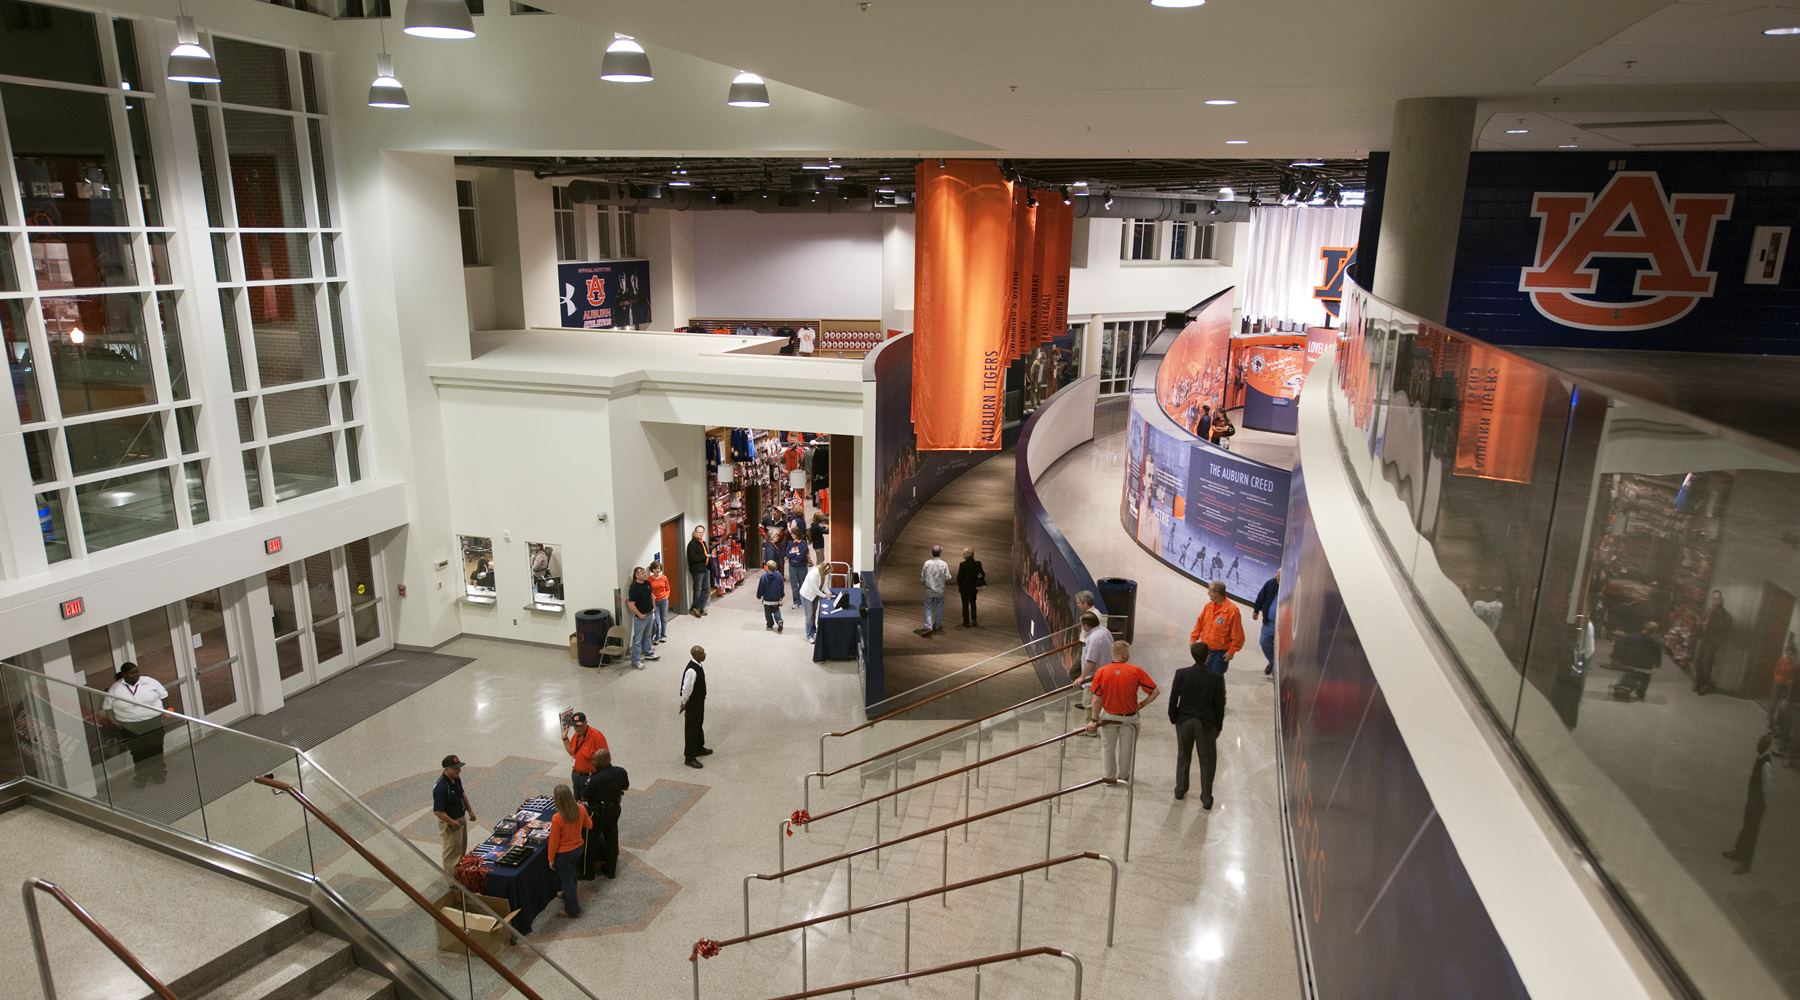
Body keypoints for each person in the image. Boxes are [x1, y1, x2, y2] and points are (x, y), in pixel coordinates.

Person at [1086, 640, 1158, 782]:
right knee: (1127, 751)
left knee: (1107, 749)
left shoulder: (1102, 671)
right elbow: (1155, 691)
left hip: (1108, 717)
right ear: (1124, 655)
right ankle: (1124, 777)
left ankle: (1109, 777)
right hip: (1129, 719)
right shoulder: (1136, 671)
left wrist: (1094, 720)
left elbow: (1096, 699)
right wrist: (1142, 704)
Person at [1168, 644, 1228, 807]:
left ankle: (1180, 789)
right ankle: (1206, 797)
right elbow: (1219, 705)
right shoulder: (1216, 678)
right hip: (1206, 724)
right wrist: (1218, 726)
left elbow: (1174, 698)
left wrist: (1173, 717)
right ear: (1208, 656)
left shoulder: (1181, 674)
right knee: (1207, 760)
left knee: (1183, 755)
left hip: (1184, 721)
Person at [104, 662, 169, 787]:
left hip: (153, 722)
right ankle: (142, 776)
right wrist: (115, 722)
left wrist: (165, 712)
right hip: (130, 726)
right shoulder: (115, 688)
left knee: (156, 749)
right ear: (124, 675)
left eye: (137, 671)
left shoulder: (149, 681)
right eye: (132, 673)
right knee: (138, 752)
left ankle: (159, 773)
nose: (136, 675)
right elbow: (108, 708)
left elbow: (164, 696)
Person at [1724, 735, 1774, 875]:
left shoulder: (1766, 764)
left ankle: (1746, 864)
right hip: (1752, 801)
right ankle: (1739, 851)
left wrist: (1764, 806)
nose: (1758, 745)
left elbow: (1766, 787)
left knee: (1751, 833)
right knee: (1746, 828)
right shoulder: (1760, 759)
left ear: (1766, 746)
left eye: (1761, 744)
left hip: (1757, 804)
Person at [579, 748, 630, 880]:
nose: (592, 762)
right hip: (615, 808)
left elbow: (584, 797)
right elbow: (625, 787)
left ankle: (587, 873)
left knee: (590, 841)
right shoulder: (620, 771)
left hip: (598, 812)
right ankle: (611, 870)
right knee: (612, 838)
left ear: (598, 762)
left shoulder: (595, 779)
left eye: (594, 760)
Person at [546, 784, 591, 917]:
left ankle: (572, 909)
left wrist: (551, 859)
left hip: (563, 854)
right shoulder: (581, 809)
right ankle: (568, 894)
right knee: (572, 874)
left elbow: (553, 842)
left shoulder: (557, 818)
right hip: (578, 849)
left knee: (566, 881)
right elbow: (589, 825)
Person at [431, 754, 476, 874]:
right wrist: (452, 822)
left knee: (461, 848)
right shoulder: (441, 787)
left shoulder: (455, 778)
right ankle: (453, 881)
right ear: (446, 769)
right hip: (450, 823)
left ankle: (460, 874)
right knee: (451, 854)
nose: (459, 770)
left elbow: (462, 794)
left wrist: (470, 811)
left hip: (460, 818)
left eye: (459, 767)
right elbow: (438, 812)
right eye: (456, 768)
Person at [1189, 581, 1245, 673]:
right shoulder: (1208, 606)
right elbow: (1199, 623)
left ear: (1217, 594)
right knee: (1203, 674)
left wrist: (1231, 651)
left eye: (1210, 591)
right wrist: (1193, 638)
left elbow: (1238, 635)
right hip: (1205, 649)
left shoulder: (1232, 611)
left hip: (1219, 653)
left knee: (1215, 678)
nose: (1208, 593)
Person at [1072, 611, 1113, 716]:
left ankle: (1091, 731)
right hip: (1104, 673)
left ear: (1086, 625)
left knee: (1089, 705)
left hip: (1093, 678)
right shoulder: (1105, 631)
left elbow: (1091, 661)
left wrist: (1082, 677)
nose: (1082, 627)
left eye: (1082, 625)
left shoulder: (1094, 638)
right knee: (1096, 704)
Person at [1609, 621, 1662, 701]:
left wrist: (1617, 658)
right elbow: (1658, 654)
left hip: (1631, 663)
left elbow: (1623, 641)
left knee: (1629, 674)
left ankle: (1624, 687)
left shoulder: (1633, 637)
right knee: (1646, 678)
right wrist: (1657, 663)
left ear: (1644, 627)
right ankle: (1641, 693)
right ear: (1655, 630)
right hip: (1646, 666)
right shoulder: (1658, 641)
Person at [1693, 590, 1732, 696]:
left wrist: (1707, 624)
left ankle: (1704, 685)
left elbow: (1720, 628)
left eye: (1716, 598)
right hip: (1705, 639)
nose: (1714, 600)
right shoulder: (1710, 610)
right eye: (1713, 598)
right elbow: (1704, 622)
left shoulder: (1722, 612)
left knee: (1706, 663)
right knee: (1698, 662)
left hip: (1712, 642)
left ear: (1720, 600)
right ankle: (1701, 683)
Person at [561, 712, 608, 799]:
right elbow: (572, 752)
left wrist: (598, 779)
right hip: (576, 776)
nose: (577, 728)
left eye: (579, 725)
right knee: (578, 804)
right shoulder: (576, 736)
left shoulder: (596, 736)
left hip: (589, 778)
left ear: (586, 723)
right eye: (575, 726)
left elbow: (605, 759)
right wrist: (565, 738)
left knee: (589, 805)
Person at [679, 646, 712, 769]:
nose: (705, 655)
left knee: (698, 724)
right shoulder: (691, 671)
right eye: (702, 653)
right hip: (692, 703)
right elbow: (686, 689)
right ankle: (689, 757)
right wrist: (684, 702)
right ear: (696, 655)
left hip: (699, 701)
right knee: (691, 729)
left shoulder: (698, 665)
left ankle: (699, 747)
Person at [625, 567, 658, 669]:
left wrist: (653, 607)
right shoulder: (634, 588)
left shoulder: (647, 583)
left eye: (644, 572)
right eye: (642, 573)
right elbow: (631, 604)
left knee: (648, 636)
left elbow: (651, 596)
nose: (645, 574)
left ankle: (648, 653)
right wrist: (639, 614)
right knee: (637, 640)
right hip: (640, 618)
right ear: (637, 575)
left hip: (649, 614)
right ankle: (636, 660)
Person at [1251, 571, 1279, 677]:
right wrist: (1256, 610)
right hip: (1269, 622)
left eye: (1279, 576)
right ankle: (1273, 662)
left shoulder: (1291, 588)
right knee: (1264, 643)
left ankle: (1277, 667)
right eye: (1277, 575)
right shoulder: (1270, 583)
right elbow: (1261, 596)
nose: (1277, 577)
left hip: (1284, 626)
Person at [920, 545, 951, 636]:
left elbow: (923, 576)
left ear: (932, 553)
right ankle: (937, 625)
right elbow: (948, 577)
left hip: (929, 590)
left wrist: (923, 582)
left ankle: (928, 625)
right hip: (940, 590)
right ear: (940, 553)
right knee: (939, 607)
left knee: (928, 607)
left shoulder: (927, 563)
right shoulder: (944, 564)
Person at [956, 548, 986, 628]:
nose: (963, 555)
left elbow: (959, 578)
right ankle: (974, 620)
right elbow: (982, 574)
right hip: (973, 588)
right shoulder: (978, 564)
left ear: (966, 555)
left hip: (964, 589)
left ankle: (966, 622)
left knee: (965, 605)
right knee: (973, 603)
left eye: (963, 554)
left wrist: (960, 587)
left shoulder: (962, 565)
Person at [799, 560, 829, 641]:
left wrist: (828, 593)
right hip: (807, 595)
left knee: (813, 614)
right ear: (822, 570)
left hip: (815, 595)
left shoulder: (826, 573)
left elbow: (825, 586)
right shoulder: (814, 573)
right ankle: (809, 635)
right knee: (809, 616)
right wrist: (824, 595)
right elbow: (814, 589)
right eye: (826, 573)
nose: (827, 575)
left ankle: (813, 630)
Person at [686, 526, 711, 617]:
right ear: (694, 532)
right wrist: (705, 556)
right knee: (697, 591)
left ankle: (698, 607)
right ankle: (696, 608)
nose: (700, 534)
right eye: (698, 532)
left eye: (702, 532)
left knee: (707, 589)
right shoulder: (692, 544)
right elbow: (692, 558)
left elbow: (706, 555)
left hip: (705, 569)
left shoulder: (702, 543)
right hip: (697, 571)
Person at [757, 560, 786, 632]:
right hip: (776, 598)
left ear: (767, 568)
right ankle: (779, 621)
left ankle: (770, 625)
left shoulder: (764, 577)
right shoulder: (779, 575)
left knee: (768, 613)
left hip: (767, 599)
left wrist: (759, 595)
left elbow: (761, 587)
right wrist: (782, 595)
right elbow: (781, 586)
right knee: (776, 610)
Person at [784, 535, 811, 609]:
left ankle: (802, 600)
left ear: (797, 534)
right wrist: (796, 553)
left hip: (802, 567)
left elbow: (801, 556)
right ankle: (796, 602)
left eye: (793, 534)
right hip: (792, 567)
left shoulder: (803, 543)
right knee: (794, 586)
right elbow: (787, 554)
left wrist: (793, 555)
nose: (791, 535)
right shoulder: (790, 543)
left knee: (802, 584)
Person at [648, 561, 672, 645]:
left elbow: (668, 589)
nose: (657, 570)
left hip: (664, 601)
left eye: (658, 568)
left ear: (660, 569)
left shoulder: (664, 578)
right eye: (655, 568)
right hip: (654, 602)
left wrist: (666, 596)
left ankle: (663, 635)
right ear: (652, 570)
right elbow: (648, 591)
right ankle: (657, 637)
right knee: (657, 621)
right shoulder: (649, 579)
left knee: (664, 619)